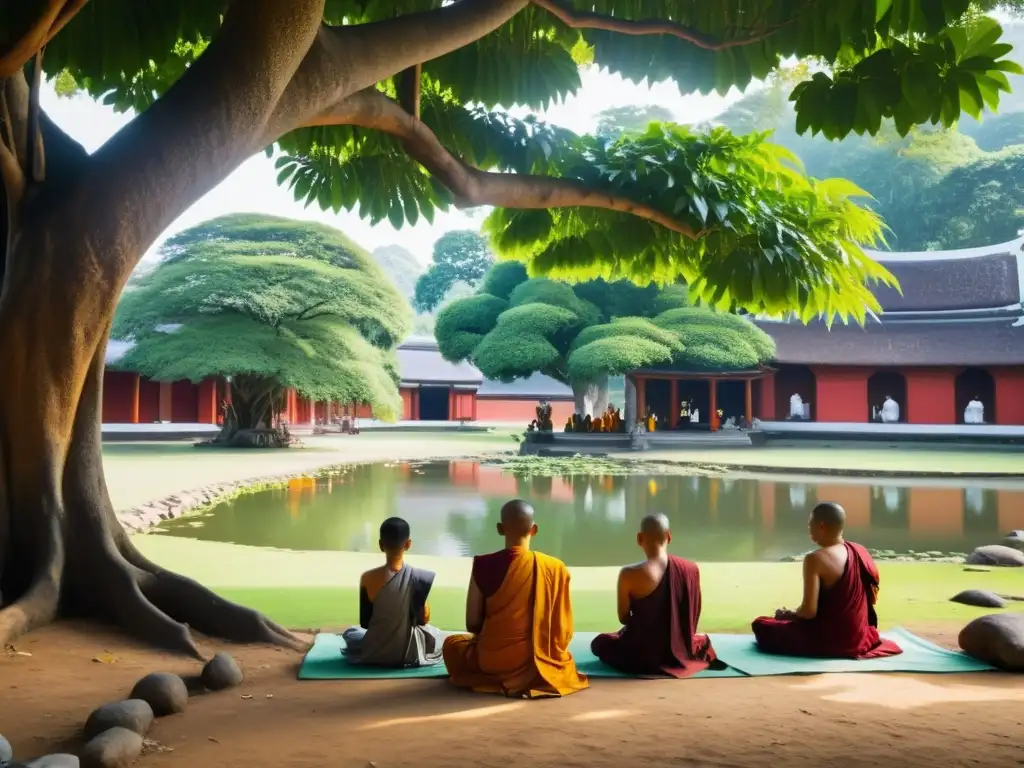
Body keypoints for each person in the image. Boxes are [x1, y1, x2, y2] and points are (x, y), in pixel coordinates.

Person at [442, 499, 588, 698]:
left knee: (453, 644)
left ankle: (501, 678)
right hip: (542, 658)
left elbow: (473, 623)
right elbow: (563, 631)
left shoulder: (483, 565)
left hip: (493, 661)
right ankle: (533, 673)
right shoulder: (555, 568)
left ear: (500, 529)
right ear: (534, 529)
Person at [751, 502, 903, 659]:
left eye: (810, 524)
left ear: (821, 526)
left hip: (830, 640)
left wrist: (787, 615)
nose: (809, 529)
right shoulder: (860, 550)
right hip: (860, 636)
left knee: (761, 624)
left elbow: (808, 612)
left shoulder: (814, 559)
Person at [591, 513, 717, 677]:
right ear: (669, 536)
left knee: (601, 642)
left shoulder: (629, 574)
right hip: (681, 648)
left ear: (639, 538)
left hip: (641, 653)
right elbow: (692, 617)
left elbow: (623, 618)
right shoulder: (691, 569)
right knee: (702, 641)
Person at [342, 517, 444, 667]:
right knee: (436, 633)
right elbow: (423, 619)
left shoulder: (368, 578)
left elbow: (365, 623)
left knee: (351, 632)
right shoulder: (418, 577)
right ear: (408, 544)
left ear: (381, 545)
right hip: (410, 653)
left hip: (374, 651)